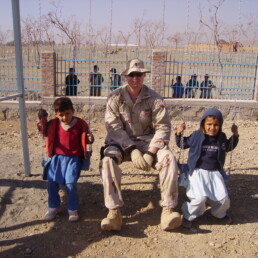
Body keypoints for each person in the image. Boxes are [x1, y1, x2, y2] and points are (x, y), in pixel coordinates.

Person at [99, 59, 182, 231]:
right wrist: (132, 150)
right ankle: (114, 213)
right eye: (131, 75)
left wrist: (151, 153)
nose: (135, 78)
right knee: (107, 162)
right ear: (126, 76)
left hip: (147, 143)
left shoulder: (155, 98)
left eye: (138, 74)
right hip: (121, 143)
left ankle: (168, 210)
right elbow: (113, 126)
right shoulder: (115, 97)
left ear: (144, 76)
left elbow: (163, 126)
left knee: (169, 159)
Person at [175, 108, 239, 228]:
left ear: (220, 125)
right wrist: (179, 133)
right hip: (197, 172)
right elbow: (182, 144)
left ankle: (219, 213)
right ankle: (188, 215)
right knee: (199, 198)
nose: (212, 128)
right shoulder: (196, 135)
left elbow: (228, 146)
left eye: (216, 125)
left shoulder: (221, 137)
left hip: (214, 172)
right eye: (209, 124)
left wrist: (235, 135)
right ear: (203, 124)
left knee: (224, 199)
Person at [36, 97, 94, 222]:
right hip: (57, 158)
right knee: (51, 182)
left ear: (72, 111)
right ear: (56, 114)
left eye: (67, 113)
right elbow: (44, 131)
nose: (64, 117)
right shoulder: (54, 124)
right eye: (61, 115)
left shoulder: (80, 123)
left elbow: (87, 136)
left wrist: (90, 138)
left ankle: (72, 209)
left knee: (70, 183)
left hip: (73, 159)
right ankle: (53, 206)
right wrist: (42, 118)